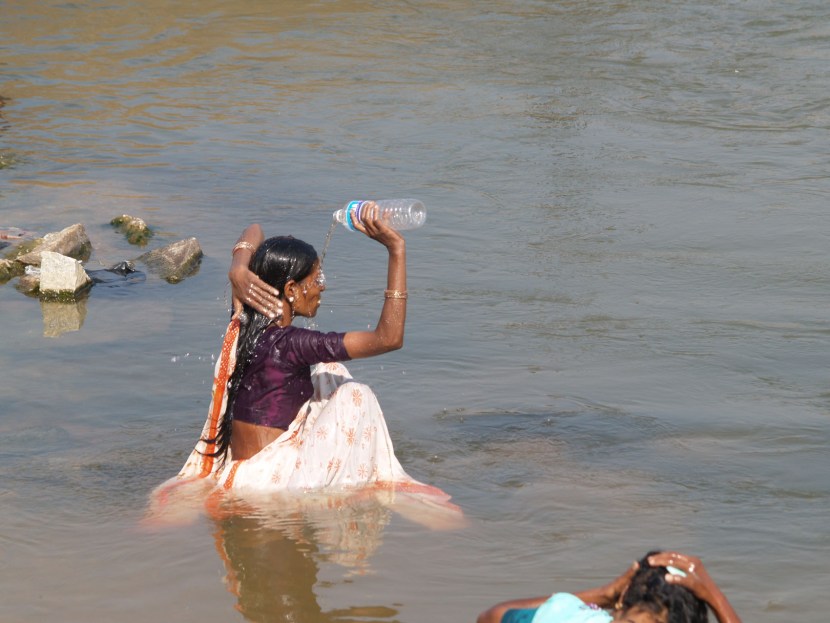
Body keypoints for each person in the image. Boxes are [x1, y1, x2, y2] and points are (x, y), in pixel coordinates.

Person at [147, 203, 463, 529]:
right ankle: (372, 486)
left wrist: (238, 268)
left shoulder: (243, 316)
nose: (322, 287)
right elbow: (389, 338)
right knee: (356, 394)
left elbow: (253, 227)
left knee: (331, 373)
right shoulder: (293, 344)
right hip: (272, 485)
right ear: (291, 290)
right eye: (316, 279)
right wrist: (396, 249)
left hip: (241, 473)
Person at [477, 551, 742, 623]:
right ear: (615, 614)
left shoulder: (569, 612)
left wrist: (605, 594)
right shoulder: (568, 617)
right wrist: (712, 595)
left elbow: (494, 615)